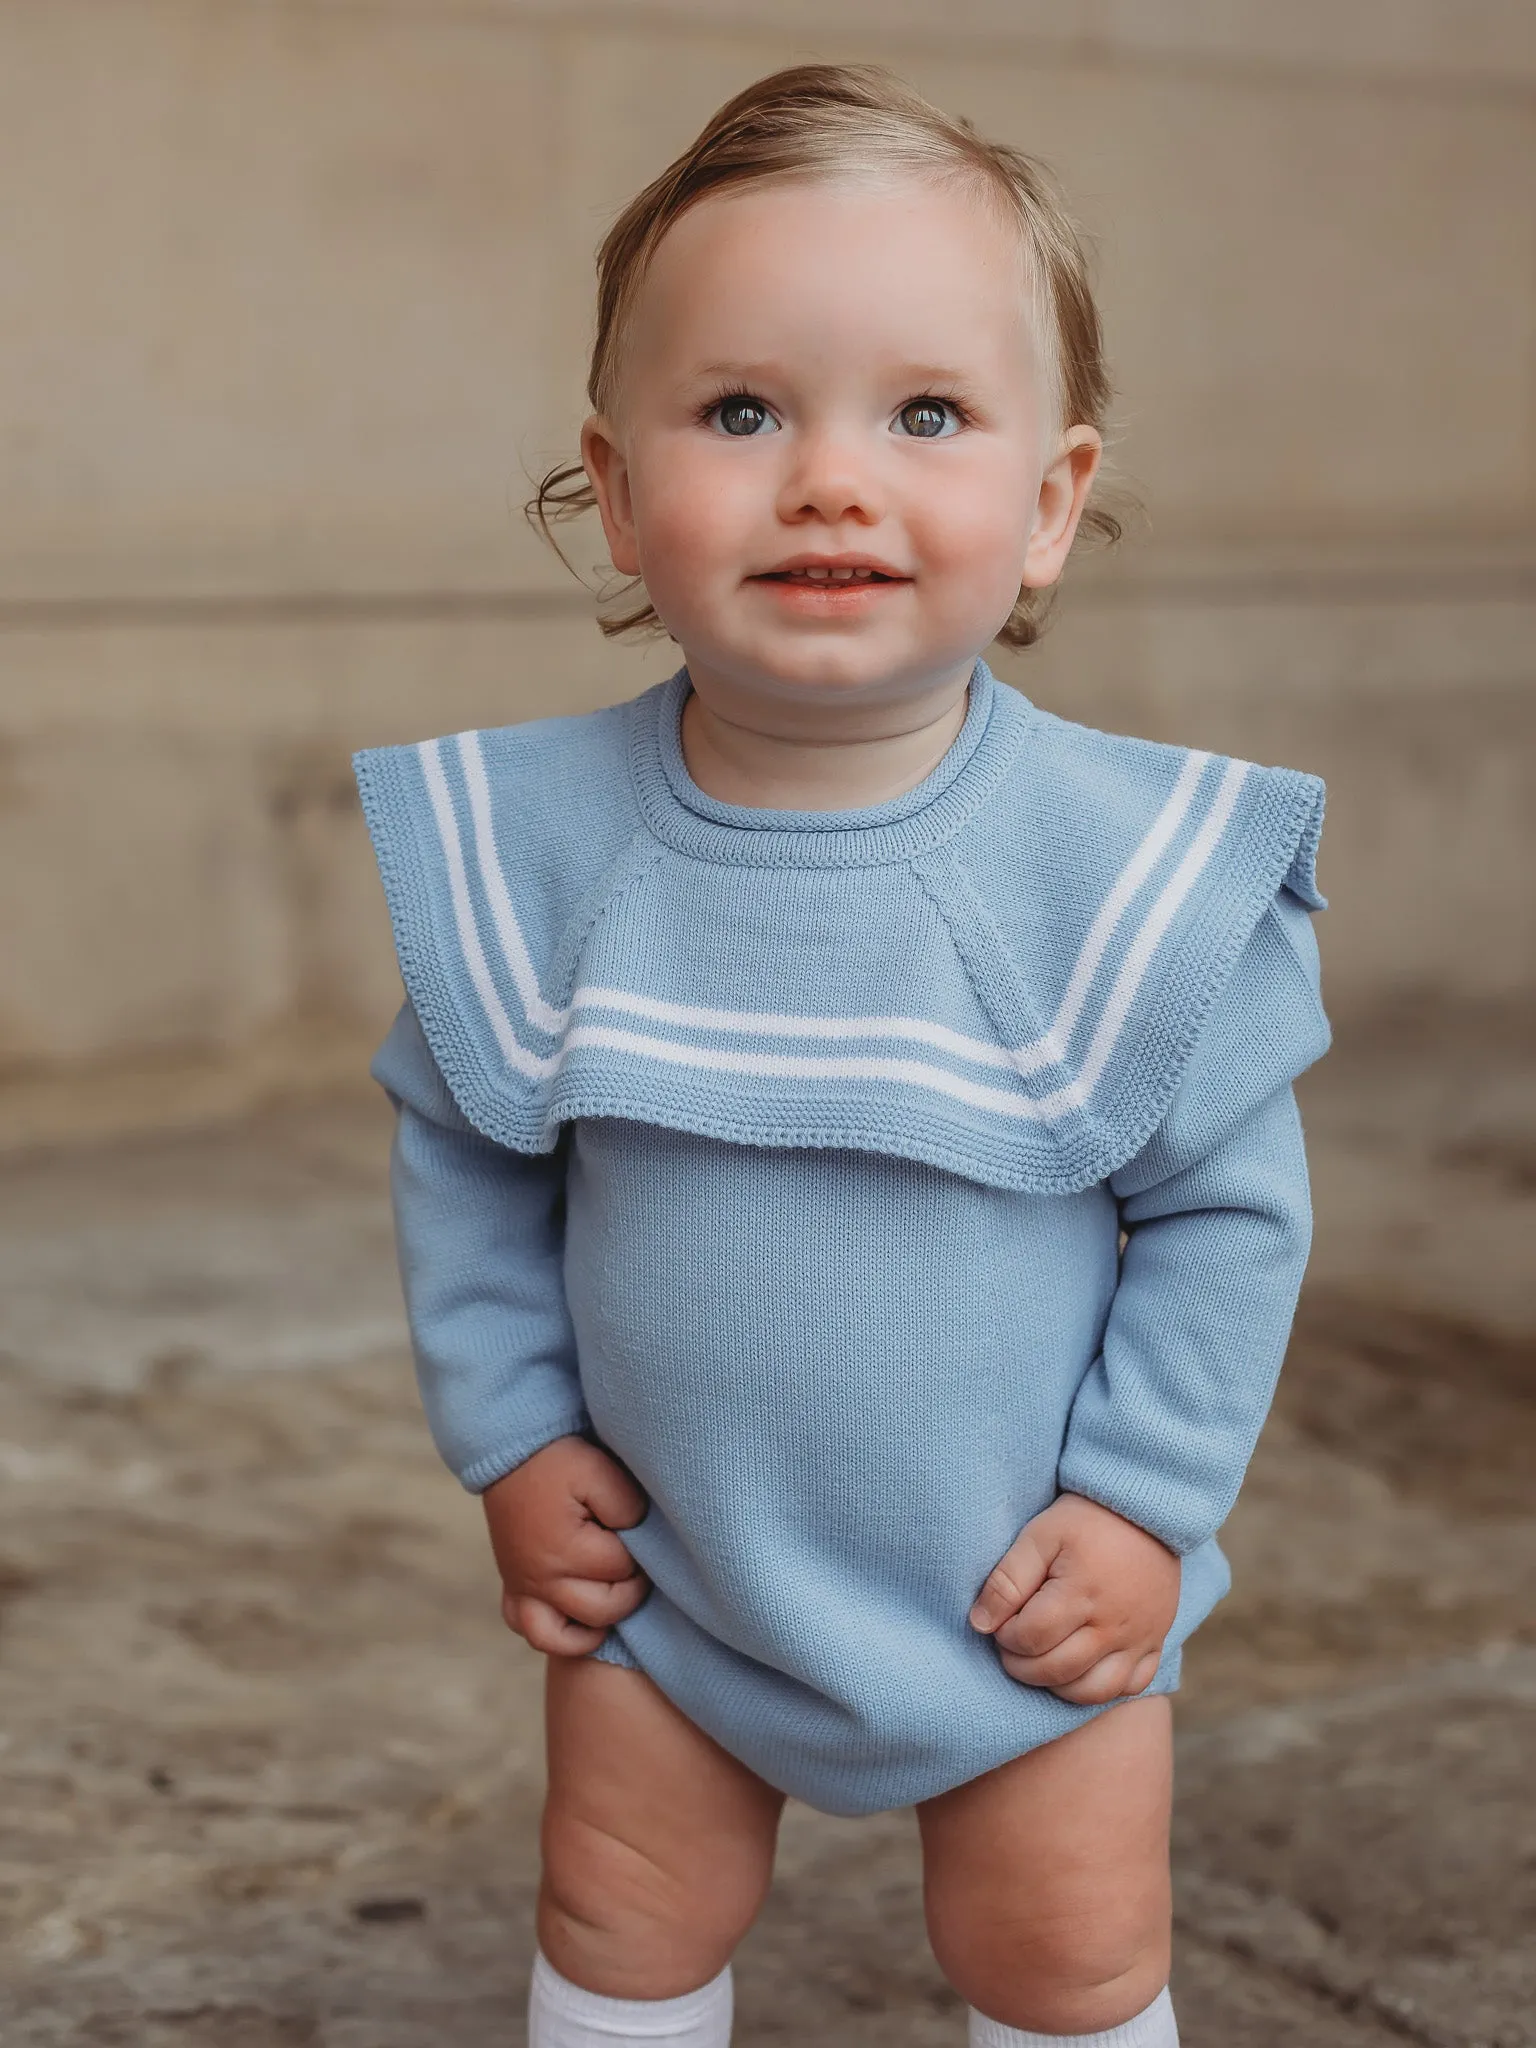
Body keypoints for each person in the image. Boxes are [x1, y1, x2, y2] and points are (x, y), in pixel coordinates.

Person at [355, 64, 1328, 2048]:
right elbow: (464, 1147)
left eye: (928, 414)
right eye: (740, 410)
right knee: (622, 1909)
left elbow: (1231, 1210)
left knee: (1061, 1949)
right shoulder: (549, 852)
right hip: (680, 1563)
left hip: (1025, 1581)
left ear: (1050, 504)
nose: (828, 476)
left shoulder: (1108, 873)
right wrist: (519, 1432)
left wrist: (1145, 1504)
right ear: (618, 489)